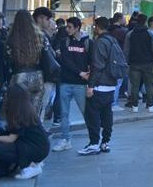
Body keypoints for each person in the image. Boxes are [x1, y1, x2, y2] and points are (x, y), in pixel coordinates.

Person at [0, 84, 50, 180]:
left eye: (7, 94)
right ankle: (32, 162)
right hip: (39, 146)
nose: (5, 96)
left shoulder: (20, 113)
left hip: (36, 147)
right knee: (0, 143)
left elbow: (11, 139)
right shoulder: (24, 108)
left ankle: (30, 166)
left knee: (0, 150)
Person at [79, 17, 121, 155]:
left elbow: (98, 65)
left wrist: (90, 86)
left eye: (94, 26)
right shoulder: (112, 40)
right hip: (111, 84)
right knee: (107, 114)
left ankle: (94, 143)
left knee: (94, 115)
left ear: (97, 27)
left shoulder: (99, 42)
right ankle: (105, 142)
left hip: (99, 85)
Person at [52, 17, 92, 152]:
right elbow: (66, 61)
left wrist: (88, 76)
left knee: (86, 112)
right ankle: (65, 139)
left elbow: (91, 60)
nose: (67, 29)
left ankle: (94, 138)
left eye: (70, 27)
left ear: (77, 28)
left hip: (80, 84)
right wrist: (80, 72)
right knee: (64, 113)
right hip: (66, 82)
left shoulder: (87, 42)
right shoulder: (65, 42)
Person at [6, 10, 45, 116]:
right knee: (34, 112)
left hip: (19, 76)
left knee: (18, 112)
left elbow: (9, 58)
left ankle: (20, 132)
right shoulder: (39, 36)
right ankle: (33, 131)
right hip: (37, 76)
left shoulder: (12, 38)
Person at [123, 13, 153, 113]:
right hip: (148, 63)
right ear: (145, 22)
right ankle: (150, 106)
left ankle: (134, 106)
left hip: (134, 63)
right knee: (149, 85)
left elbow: (126, 50)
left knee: (135, 85)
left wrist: (127, 61)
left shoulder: (130, 34)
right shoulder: (150, 34)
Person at [33, 6, 57, 122]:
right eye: (48, 19)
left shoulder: (42, 34)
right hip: (41, 75)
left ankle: (39, 129)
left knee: (42, 105)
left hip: (45, 75)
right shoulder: (35, 35)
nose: (49, 22)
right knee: (39, 105)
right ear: (40, 18)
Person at [108, 13, 128, 112]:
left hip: (108, 58)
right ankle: (114, 103)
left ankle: (110, 102)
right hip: (119, 58)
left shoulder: (108, 30)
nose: (125, 20)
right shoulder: (122, 31)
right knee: (118, 82)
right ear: (120, 19)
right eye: (124, 18)